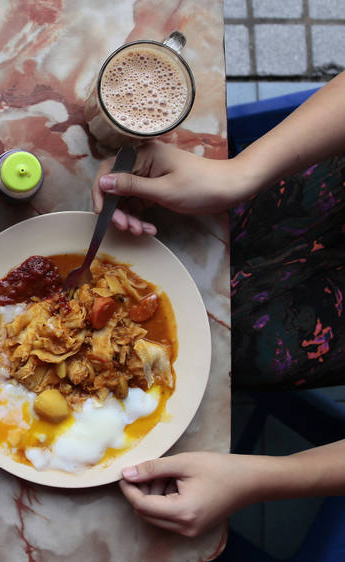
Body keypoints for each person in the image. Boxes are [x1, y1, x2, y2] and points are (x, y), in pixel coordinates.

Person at [90, 71, 345, 538]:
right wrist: (237, 174)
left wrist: (262, 478)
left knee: (230, 356)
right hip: (312, 188)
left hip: (324, 330)